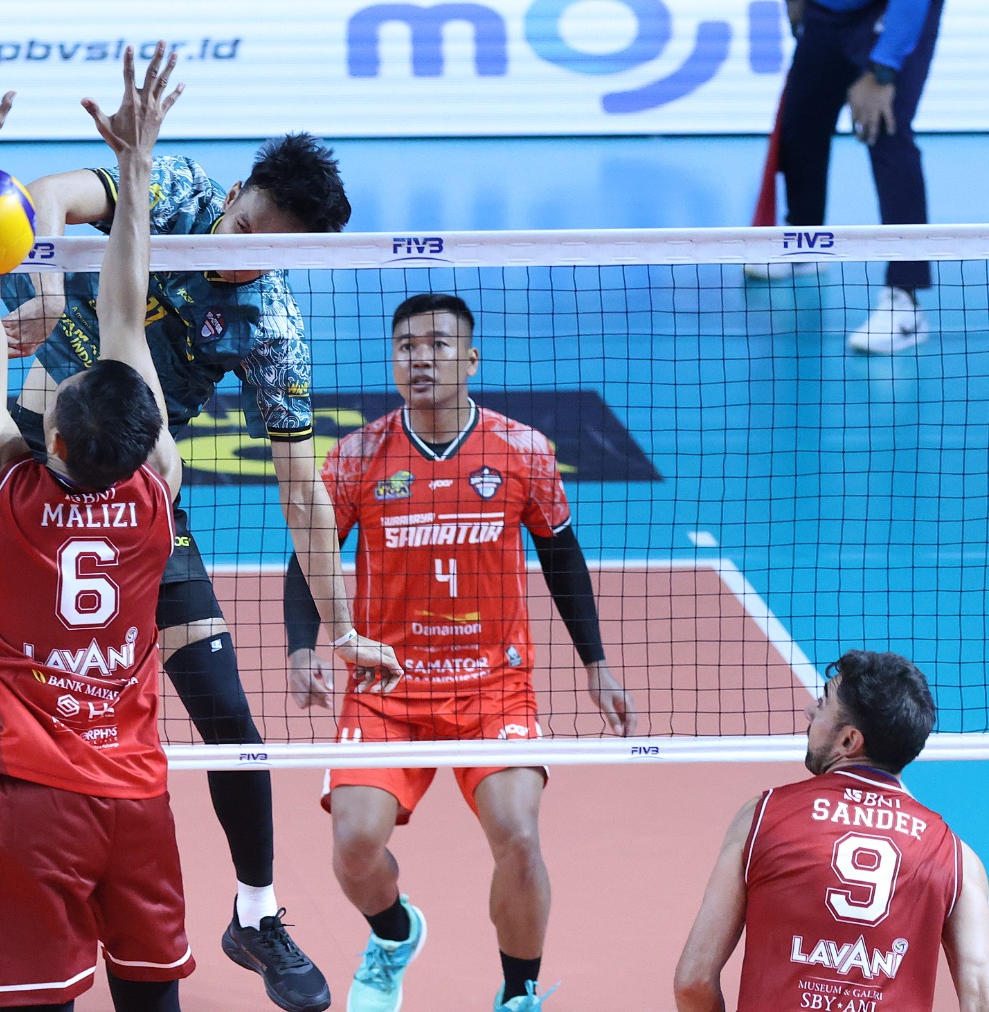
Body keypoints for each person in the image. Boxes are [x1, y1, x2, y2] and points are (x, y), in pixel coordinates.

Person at [0, 46, 397, 1012]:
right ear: (232, 196)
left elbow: (302, 488)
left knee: (226, 712)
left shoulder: (273, 327)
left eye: (267, 251)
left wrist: (342, 623)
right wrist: (46, 276)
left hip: (132, 480)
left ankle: (258, 912)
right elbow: (45, 200)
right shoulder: (180, 190)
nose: (239, 254)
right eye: (243, 228)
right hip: (29, 445)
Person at [0, 46, 196, 1010]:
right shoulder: (157, 485)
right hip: (138, 797)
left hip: (33, 805)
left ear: (58, 437)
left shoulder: (0, 482)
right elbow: (126, 318)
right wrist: (138, 166)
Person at [284, 293, 637, 1012]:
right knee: (354, 845)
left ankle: (519, 993)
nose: (420, 358)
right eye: (406, 346)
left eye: (438, 344)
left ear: (471, 359)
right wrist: (301, 647)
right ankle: (394, 936)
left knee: (519, 838)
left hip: (493, 688)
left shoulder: (522, 450)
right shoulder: (358, 456)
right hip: (386, 684)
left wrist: (595, 663)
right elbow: (310, 556)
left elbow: (562, 556)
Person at [675, 650, 989, 1011]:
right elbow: (980, 996)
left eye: (823, 703)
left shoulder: (761, 819)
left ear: (849, 741)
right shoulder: (956, 858)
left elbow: (693, 982)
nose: (810, 710)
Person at [747, 0, 946, 354]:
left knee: (886, 131)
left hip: (893, 13)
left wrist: (883, 70)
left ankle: (905, 301)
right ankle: (804, 247)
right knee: (802, 119)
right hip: (827, 11)